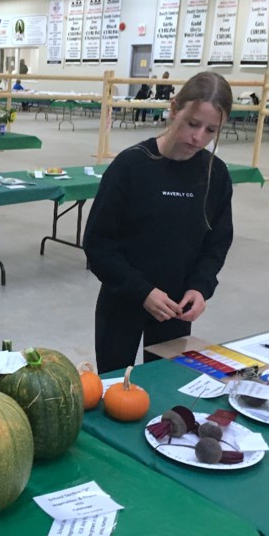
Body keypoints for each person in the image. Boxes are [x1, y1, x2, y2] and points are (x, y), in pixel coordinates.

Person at [83, 71, 234, 374]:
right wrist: (141, 291)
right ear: (174, 108)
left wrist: (200, 288)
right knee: (115, 387)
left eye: (210, 130)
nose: (198, 137)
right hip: (122, 302)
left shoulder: (215, 175)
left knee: (167, 385)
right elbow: (98, 245)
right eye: (193, 124)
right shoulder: (131, 166)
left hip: (177, 308)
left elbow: (217, 242)